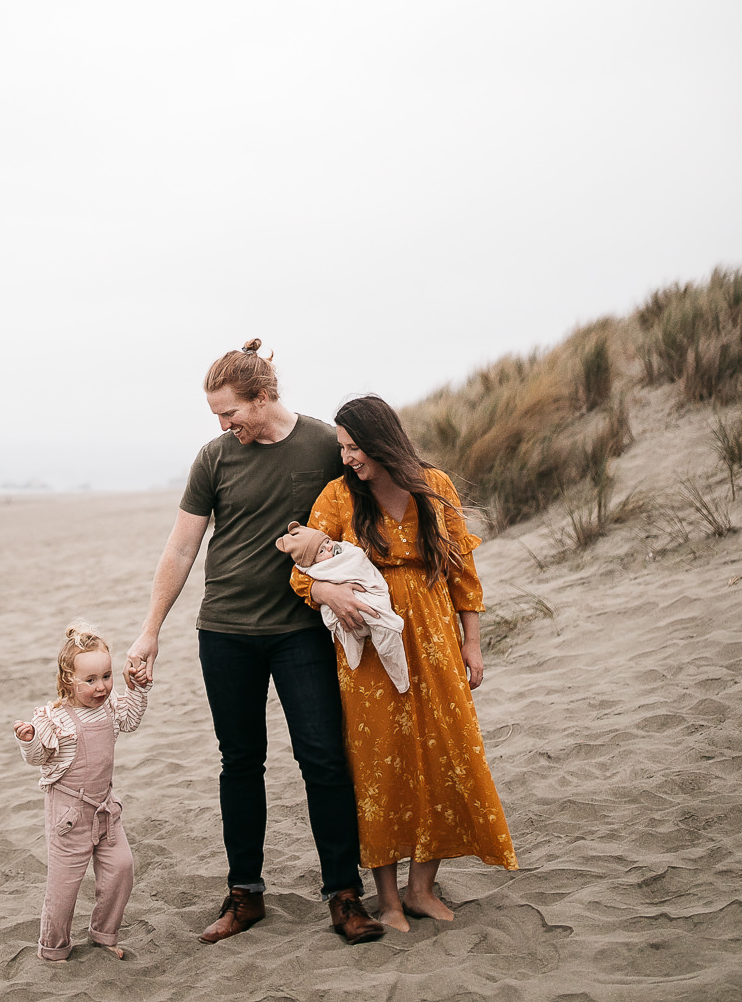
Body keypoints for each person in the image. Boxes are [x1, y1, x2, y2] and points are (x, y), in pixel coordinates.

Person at [123, 341, 383, 946]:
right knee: (240, 763)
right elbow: (182, 547)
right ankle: (245, 895)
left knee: (322, 758)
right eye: (216, 416)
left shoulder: (323, 444)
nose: (223, 425)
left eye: (230, 412)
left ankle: (344, 894)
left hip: (299, 631)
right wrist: (150, 630)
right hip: (225, 634)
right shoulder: (214, 458)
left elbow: (360, 510)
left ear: (264, 397)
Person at [289, 393, 517, 933]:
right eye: (341, 448)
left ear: (382, 441)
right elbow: (299, 575)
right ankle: (388, 899)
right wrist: (329, 592)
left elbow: (462, 571)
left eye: (353, 448)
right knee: (378, 764)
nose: (346, 458)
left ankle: (421, 888)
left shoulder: (434, 487)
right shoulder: (338, 498)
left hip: (435, 637)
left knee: (444, 752)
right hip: (368, 649)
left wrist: (472, 642)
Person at [14, 621, 150, 961]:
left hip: (105, 808)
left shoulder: (109, 706)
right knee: (64, 887)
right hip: (69, 815)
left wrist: (137, 689)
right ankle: (54, 948)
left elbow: (131, 720)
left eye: (106, 676)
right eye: (90, 680)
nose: (101, 686)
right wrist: (28, 740)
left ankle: (104, 933)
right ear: (68, 682)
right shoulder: (56, 719)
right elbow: (39, 759)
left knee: (121, 868)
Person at [275, 522, 409, 691]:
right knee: (377, 623)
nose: (329, 548)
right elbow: (300, 578)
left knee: (381, 626)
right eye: (321, 551)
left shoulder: (343, 550)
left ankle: (396, 667)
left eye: (327, 542)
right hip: (353, 605)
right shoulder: (313, 568)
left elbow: (356, 559)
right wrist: (325, 591)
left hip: (378, 596)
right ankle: (362, 642)